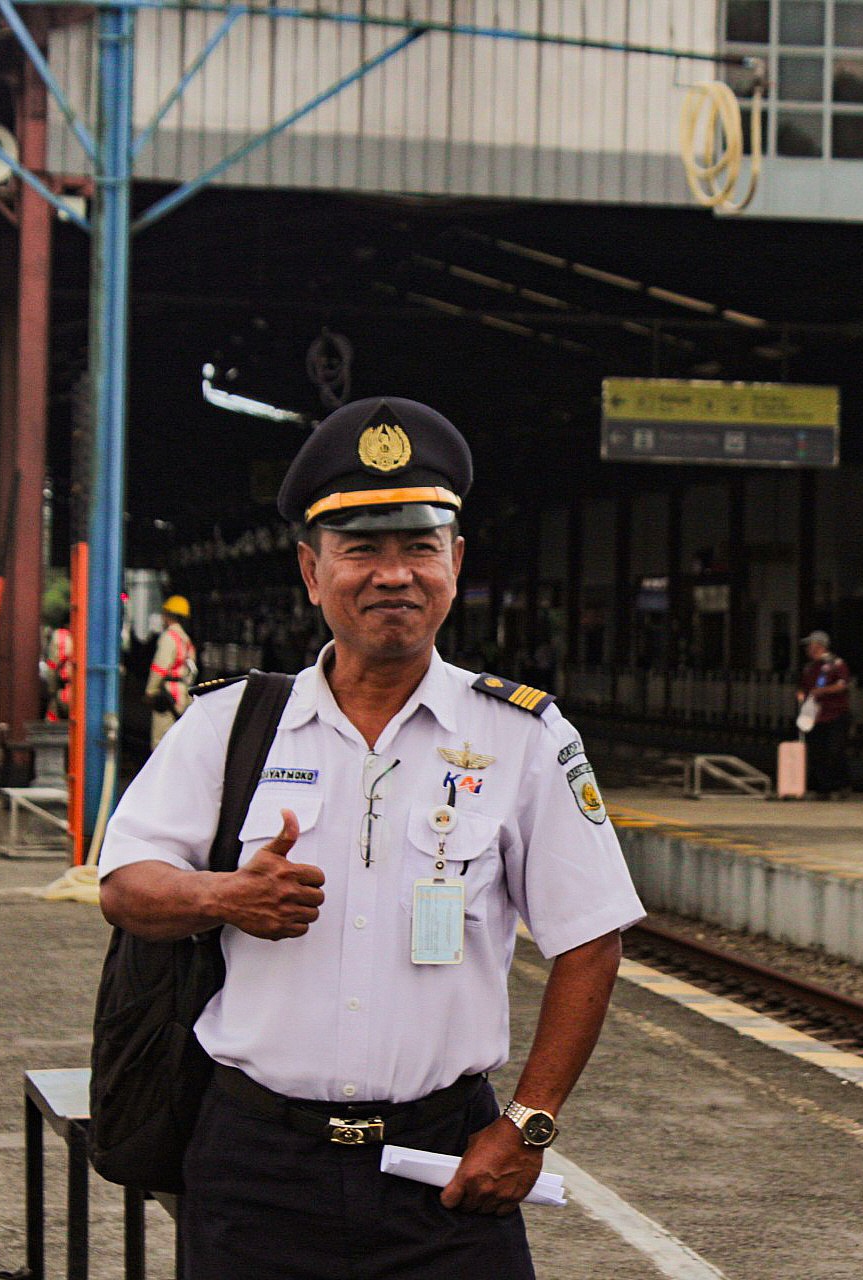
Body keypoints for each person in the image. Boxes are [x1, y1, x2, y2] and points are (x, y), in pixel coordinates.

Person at [97, 396, 646, 1279]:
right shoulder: (230, 725)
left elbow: (592, 939)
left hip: (446, 1169)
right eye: (361, 550)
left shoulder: (524, 736)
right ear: (312, 572)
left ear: (455, 564)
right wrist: (223, 896)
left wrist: (530, 1123)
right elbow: (124, 885)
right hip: (255, 1167)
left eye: (419, 547)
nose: (394, 575)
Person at [795, 630, 852, 798]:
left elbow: (842, 685)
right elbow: (805, 687)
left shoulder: (836, 664)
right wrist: (801, 694)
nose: (807, 649)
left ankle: (842, 784)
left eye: (810, 646)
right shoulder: (809, 667)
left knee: (835, 750)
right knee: (818, 752)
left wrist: (823, 691)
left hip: (836, 714)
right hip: (815, 715)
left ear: (819, 646)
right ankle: (823, 788)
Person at [146, 595, 197, 747]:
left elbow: (159, 668)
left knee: (160, 742)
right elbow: (192, 669)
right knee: (177, 741)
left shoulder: (169, 637)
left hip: (167, 697)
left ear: (168, 615)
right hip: (183, 695)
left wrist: (150, 690)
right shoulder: (186, 640)